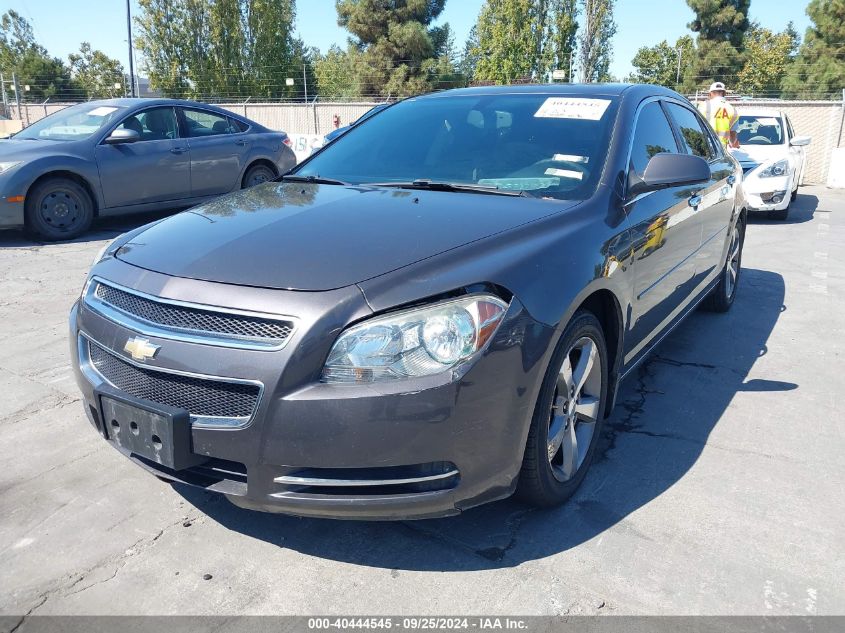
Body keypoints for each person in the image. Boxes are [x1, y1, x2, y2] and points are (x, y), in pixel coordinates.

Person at [698, 81, 740, 149]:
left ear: (710, 93)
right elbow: (732, 136)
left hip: (705, 147)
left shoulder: (703, 106)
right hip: (721, 150)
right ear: (724, 93)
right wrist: (733, 143)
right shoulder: (733, 110)